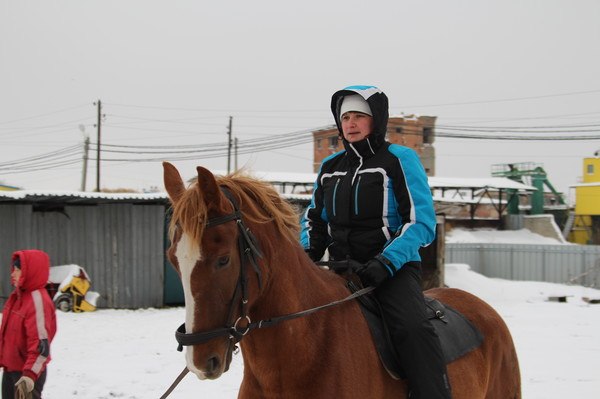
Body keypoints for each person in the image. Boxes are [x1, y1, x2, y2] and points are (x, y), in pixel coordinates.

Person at [300, 85, 451, 398]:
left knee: (412, 329)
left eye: (359, 116)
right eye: (345, 117)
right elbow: (314, 219)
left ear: (376, 120)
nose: (351, 123)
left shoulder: (399, 160)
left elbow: (420, 222)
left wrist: (387, 261)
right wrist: (306, 255)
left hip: (390, 272)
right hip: (339, 271)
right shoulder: (330, 168)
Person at [0, 250, 57, 399]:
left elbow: (41, 346)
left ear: (29, 271)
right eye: (14, 269)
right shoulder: (17, 297)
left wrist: (29, 375)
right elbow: (8, 335)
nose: (13, 273)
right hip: (11, 370)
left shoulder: (38, 301)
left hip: (26, 375)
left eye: (18, 269)